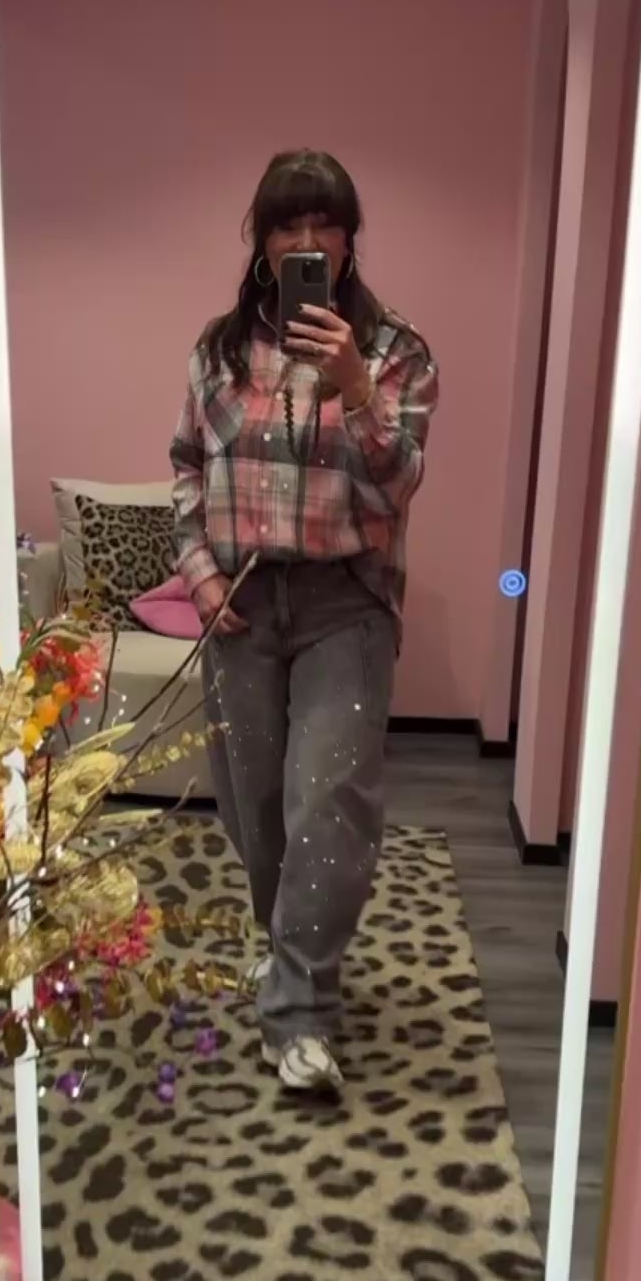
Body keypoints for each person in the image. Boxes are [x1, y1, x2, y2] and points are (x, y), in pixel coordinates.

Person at [169, 149, 439, 1092]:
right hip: (241, 603)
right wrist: (201, 576)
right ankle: (290, 951)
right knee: (254, 809)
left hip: (345, 604)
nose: (309, 239)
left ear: (350, 240)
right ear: (263, 239)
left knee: (329, 807)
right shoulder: (218, 352)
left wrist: (356, 386)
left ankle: (300, 1014)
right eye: (290, 223)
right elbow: (185, 468)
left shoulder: (396, 350)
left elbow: (399, 483)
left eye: (327, 223)